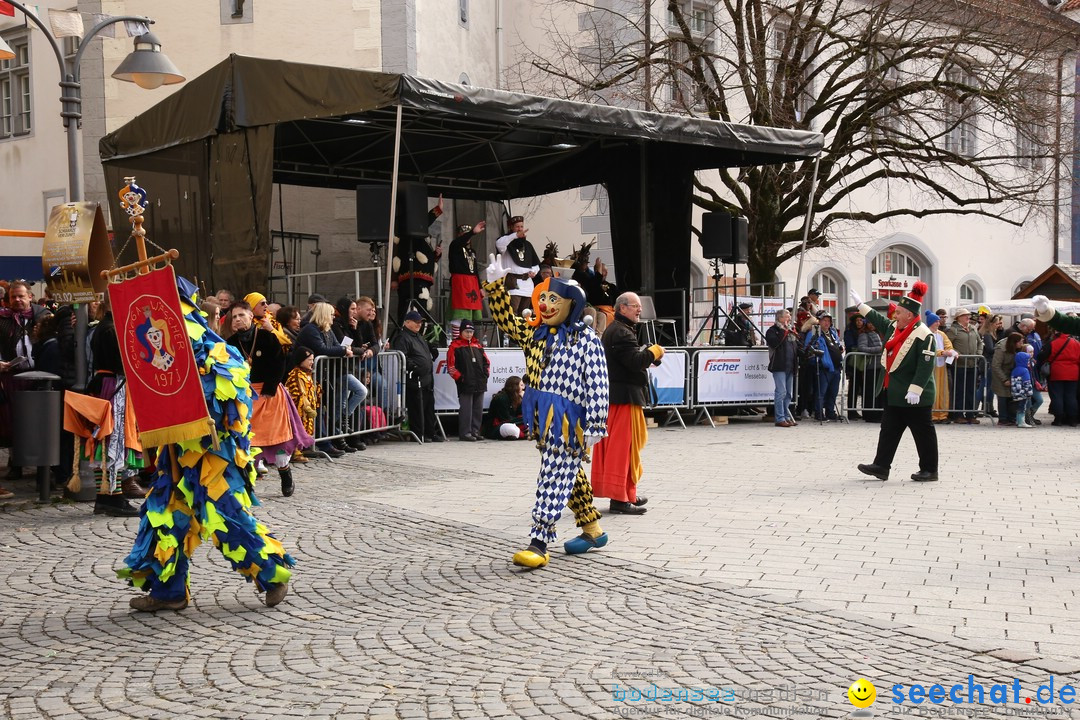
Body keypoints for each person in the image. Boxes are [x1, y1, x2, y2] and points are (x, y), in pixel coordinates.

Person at [120, 277, 293, 612]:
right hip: (175, 452)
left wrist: (206, 410)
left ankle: (272, 575)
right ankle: (168, 591)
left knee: (223, 514)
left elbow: (234, 395)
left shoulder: (211, 346)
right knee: (163, 517)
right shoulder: (168, 344)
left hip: (209, 454)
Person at [484, 252, 610, 566]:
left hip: (571, 420)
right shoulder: (535, 334)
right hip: (543, 419)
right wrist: (496, 288)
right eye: (544, 299)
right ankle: (592, 529)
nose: (545, 305)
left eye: (554, 299)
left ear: (572, 304)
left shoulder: (586, 340)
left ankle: (539, 543)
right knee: (567, 472)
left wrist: (595, 423)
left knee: (552, 476)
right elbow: (505, 320)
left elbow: (598, 383)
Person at [850, 282, 939, 482]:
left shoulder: (924, 334)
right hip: (894, 392)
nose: (894, 316)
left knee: (923, 433)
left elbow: (925, 365)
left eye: (898, 312)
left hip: (914, 395)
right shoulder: (894, 328)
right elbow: (878, 319)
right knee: (888, 431)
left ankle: (930, 469)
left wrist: (916, 390)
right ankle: (881, 466)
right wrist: (861, 306)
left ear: (909, 314)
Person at [592, 292, 663, 516]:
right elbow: (634, 362)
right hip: (623, 399)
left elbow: (629, 359)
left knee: (624, 449)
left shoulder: (617, 330)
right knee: (622, 450)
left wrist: (647, 355)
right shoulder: (622, 333)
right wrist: (654, 351)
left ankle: (625, 494)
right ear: (622, 308)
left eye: (639, 306)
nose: (639, 310)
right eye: (635, 306)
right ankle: (620, 500)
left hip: (618, 397)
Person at [226, 302, 305, 497]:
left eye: (241, 315)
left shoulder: (266, 337)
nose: (237, 319)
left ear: (250, 316)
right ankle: (248, 483)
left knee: (275, 440)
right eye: (234, 317)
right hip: (246, 397)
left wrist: (269, 388)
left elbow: (279, 363)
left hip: (269, 394)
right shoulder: (230, 343)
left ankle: (285, 473)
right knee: (248, 441)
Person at [294, 302, 365, 455]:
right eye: (331, 314)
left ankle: (333, 440)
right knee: (316, 409)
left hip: (323, 375)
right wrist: (343, 350)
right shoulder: (310, 329)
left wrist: (343, 349)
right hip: (306, 376)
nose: (334, 317)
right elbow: (323, 349)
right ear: (324, 315)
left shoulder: (326, 329)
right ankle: (322, 444)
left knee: (331, 407)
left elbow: (335, 345)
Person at [1, 280, 52, 485]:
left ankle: (41, 463)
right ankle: (16, 462)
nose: (17, 300)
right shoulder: (2, 318)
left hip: (38, 375)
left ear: (30, 296)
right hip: (11, 375)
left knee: (37, 420)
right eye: (13, 297)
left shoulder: (43, 316)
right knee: (13, 420)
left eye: (21, 296)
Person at [392, 197, 445, 321]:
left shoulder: (423, 237)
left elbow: (428, 258)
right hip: (409, 276)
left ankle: (420, 334)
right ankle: (404, 332)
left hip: (422, 278)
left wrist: (436, 255)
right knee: (406, 307)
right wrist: (437, 210)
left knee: (422, 307)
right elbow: (396, 256)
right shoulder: (407, 229)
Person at [392, 310, 440, 442]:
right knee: (417, 407)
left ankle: (431, 432)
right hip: (415, 378)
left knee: (429, 406)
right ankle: (419, 433)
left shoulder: (418, 336)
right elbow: (402, 356)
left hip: (427, 378)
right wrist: (413, 367)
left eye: (420, 322)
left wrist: (432, 348)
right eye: (416, 322)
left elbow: (424, 349)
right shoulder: (403, 337)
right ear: (407, 323)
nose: (419, 324)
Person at [447, 320, 490, 441]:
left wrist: (485, 375)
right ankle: (465, 433)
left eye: (471, 332)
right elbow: (451, 367)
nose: (469, 334)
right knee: (466, 409)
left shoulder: (478, 345)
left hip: (479, 382)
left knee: (478, 408)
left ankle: (475, 431)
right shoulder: (455, 346)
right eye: (467, 331)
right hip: (465, 383)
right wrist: (460, 378)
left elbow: (487, 362)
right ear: (461, 332)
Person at [495, 215, 541, 316]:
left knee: (525, 315)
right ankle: (510, 332)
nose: (520, 229)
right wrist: (515, 236)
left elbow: (536, 264)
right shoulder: (506, 242)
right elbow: (499, 244)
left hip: (527, 286)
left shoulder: (527, 244)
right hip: (513, 285)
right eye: (517, 227)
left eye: (521, 227)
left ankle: (522, 332)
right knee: (512, 314)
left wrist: (533, 271)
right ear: (511, 228)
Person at [447, 221, 486, 340]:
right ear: (459, 235)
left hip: (472, 283)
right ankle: (455, 341)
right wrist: (472, 232)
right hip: (460, 282)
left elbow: (475, 271)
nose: (467, 237)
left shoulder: (472, 251)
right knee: (459, 312)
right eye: (464, 234)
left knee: (469, 314)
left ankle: (467, 340)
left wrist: (480, 287)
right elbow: (459, 242)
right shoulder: (455, 246)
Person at [804, 310, 843, 421]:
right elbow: (808, 348)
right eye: (824, 320)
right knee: (821, 391)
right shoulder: (814, 332)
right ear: (819, 321)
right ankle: (819, 412)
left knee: (833, 391)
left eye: (828, 321)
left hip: (836, 366)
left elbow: (837, 344)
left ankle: (830, 411)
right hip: (823, 367)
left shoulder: (832, 332)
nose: (826, 323)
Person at [945, 307, 982, 424]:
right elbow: (948, 345)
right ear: (958, 318)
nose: (968, 317)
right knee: (959, 390)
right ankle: (958, 415)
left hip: (972, 364)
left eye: (968, 315)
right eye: (964, 315)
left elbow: (980, 342)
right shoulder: (953, 330)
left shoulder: (973, 329)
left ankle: (971, 414)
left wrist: (978, 354)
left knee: (971, 390)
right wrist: (957, 354)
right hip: (959, 365)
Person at [1038, 329, 1080, 426]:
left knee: (1057, 396)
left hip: (1056, 372)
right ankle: (1072, 419)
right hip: (1073, 372)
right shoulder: (1076, 343)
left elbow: (1041, 356)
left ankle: (1058, 419)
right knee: (1071, 396)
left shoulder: (1052, 343)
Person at [766, 308, 799, 427]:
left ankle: (785, 416)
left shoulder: (789, 331)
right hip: (779, 365)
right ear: (780, 318)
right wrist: (782, 331)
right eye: (787, 316)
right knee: (781, 392)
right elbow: (775, 343)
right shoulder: (772, 331)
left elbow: (795, 346)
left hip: (790, 366)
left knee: (788, 394)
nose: (789, 318)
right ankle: (779, 418)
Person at [925, 311, 957, 424]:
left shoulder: (941, 334)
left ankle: (942, 414)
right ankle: (932, 414)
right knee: (933, 391)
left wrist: (952, 352)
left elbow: (948, 345)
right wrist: (942, 352)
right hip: (930, 367)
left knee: (943, 390)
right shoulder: (925, 334)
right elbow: (929, 349)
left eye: (939, 321)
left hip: (941, 366)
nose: (938, 323)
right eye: (936, 321)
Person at [991, 332, 1024, 427]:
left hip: (1011, 373)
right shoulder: (1001, 349)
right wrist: (1004, 379)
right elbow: (996, 365)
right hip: (1000, 374)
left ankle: (1011, 418)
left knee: (1012, 396)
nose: (1022, 344)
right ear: (1015, 342)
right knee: (1003, 396)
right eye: (1020, 342)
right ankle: (1003, 419)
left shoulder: (1017, 348)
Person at [844, 314, 866, 419]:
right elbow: (849, 345)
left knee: (862, 387)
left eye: (861, 320)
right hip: (853, 363)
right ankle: (851, 411)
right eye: (857, 320)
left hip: (862, 363)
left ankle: (862, 409)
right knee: (853, 387)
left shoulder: (865, 331)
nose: (859, 322)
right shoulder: (849, 331)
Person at [1010, 349, 1035, 428]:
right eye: (1027, 360)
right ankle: (1021, 422)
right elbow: (1026, 383)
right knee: (1022, 408)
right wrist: (1030, 392)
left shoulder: (1014, 370)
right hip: (1023, 393)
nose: (1028, 362)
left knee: (1018, 407)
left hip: (1015, 392)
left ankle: (1018, 421)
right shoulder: (1025, 371)